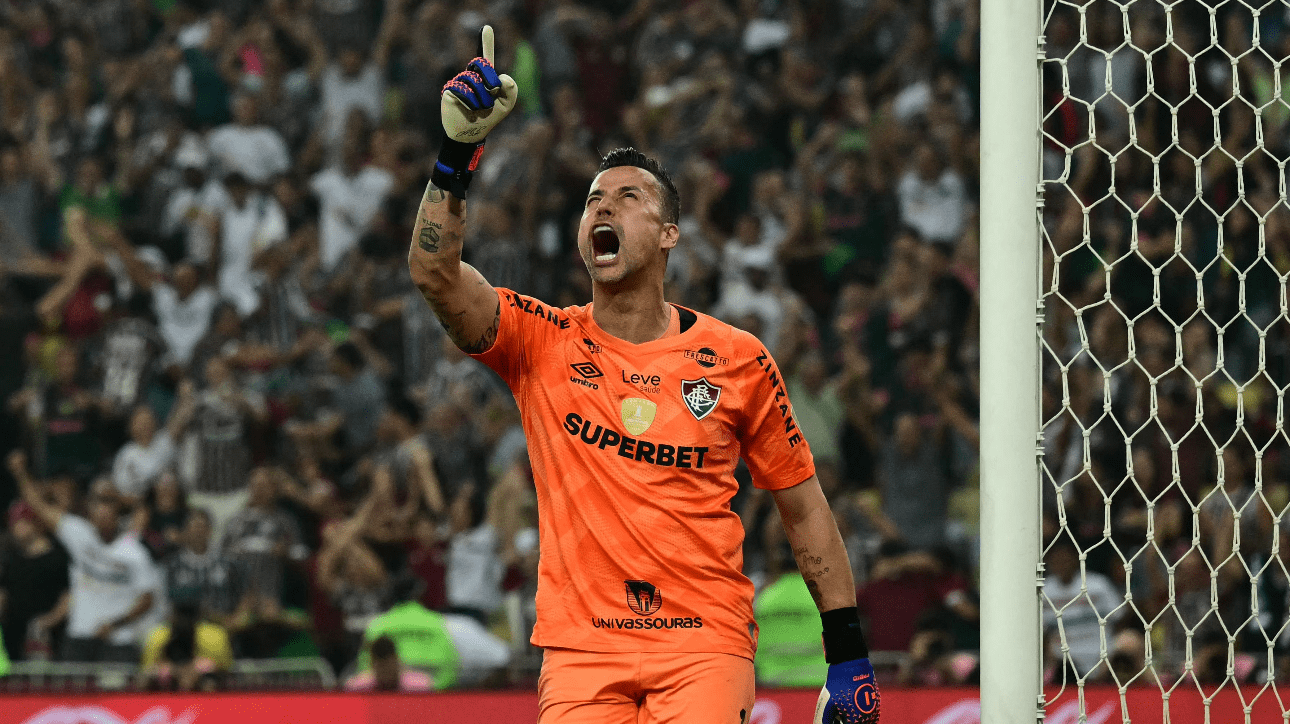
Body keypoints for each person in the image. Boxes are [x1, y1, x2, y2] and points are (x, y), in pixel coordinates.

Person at [407, 27, 880, 723]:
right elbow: (434, 275)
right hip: (580, 652)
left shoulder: (739, 358)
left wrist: (848, 655)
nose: (603, 205)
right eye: (594, 198)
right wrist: (456, 155)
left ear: (668, 234)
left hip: (702, 645)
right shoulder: (541, 340)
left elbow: (803, 506)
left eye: (628, 197)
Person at [8, 449, 163, 663]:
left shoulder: (134, 551)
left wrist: (116, 624)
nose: (102, 510)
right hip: (79, 638)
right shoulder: (79, 533)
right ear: (89, 507)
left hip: (119, 641)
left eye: (108, 504)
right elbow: (38, 505)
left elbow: (148, 600)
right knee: (71, 694)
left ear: (119, 511)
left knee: (116, 695)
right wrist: (20, 473)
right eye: (97, 503)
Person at [344, 635, 433, 692]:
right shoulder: (357, 688)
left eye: (389, 669)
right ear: (373, 665)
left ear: (397, 662)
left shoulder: (420, 687)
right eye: (382, 669)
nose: (386, 674)